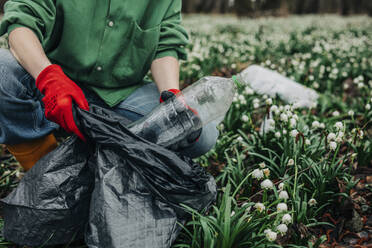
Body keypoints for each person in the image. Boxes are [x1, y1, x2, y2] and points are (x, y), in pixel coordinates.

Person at [0, 0, 219, 171]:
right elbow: (21, 23)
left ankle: (105, 158)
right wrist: (48, 77)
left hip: (119, 97)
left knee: (200, 133)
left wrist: (170, 94)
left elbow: (166, 43)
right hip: (52, 89)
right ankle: (45, 171)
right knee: (2, 70)